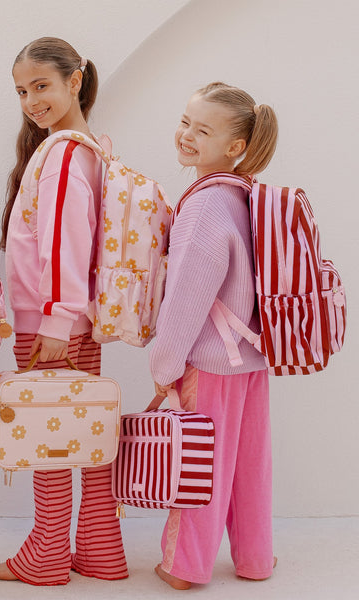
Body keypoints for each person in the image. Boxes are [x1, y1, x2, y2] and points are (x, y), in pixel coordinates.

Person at [0, 37, 129, 586]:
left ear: (75, 80)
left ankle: (45, 554)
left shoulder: (63, 155)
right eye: (22, 90)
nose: (30, 100)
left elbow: (64, 243)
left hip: (52, 323)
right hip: (76, 319)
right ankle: (99, 550)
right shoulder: (94, 149)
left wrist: (55, 322)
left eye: (41, 86)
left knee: (48, 435)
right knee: (84, 431)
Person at [149, 82, 279, 590]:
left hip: (210, 363)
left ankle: (185, 567)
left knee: (198, 465)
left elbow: (186, 301)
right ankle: (255, 560)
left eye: (201, 130)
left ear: (235, 147)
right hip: (253, 360)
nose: (185, 135)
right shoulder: (247, 199)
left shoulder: (204, 207)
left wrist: (164, 367)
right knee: (250, 467)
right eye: (185, 121)